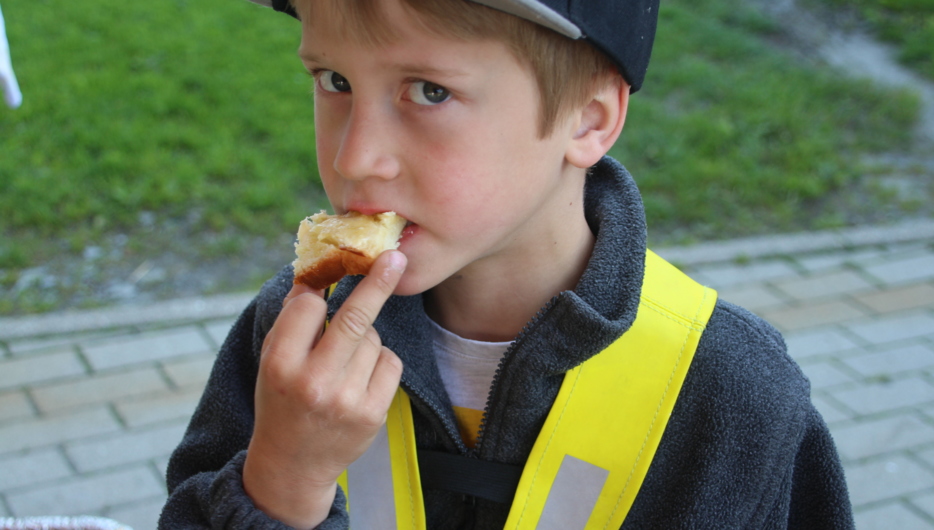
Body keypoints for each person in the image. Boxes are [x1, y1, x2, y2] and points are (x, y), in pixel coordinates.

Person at [160, 0, 854, 528]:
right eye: (334, 79)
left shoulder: (735, 393)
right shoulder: (289, 343)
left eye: (429, 91)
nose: (354, 158)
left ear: (587, 119)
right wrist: (280, 481)